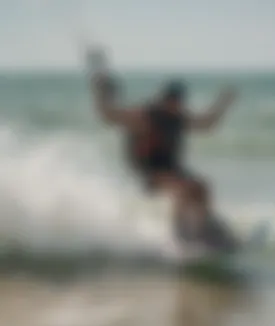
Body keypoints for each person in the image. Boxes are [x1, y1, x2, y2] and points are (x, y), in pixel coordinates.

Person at [89, 48, 237, 248]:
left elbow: (206, 124)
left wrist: (223, 104)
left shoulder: (178, 117)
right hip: (149, 172)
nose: (176, 105)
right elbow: (108, 115)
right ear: (164, 99)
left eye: (179, 101)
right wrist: (100, 85)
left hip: (172, 170)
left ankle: (205, 227)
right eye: (173, 100)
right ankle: (180, 236)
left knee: (202, 187)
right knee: (184, 190)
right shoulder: (145, 116)